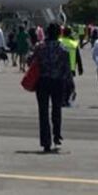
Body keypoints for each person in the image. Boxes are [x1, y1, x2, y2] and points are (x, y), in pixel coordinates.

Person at [29, 23, 70, 153]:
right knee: (57, 109)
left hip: (42, 82)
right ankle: (57, 135)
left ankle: (46, 141)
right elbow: (66, 69)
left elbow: (30, 60)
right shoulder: (63, 49)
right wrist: (69, 85)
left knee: (43, 112)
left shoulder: (40, 47)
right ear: (59, 33)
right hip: (57, 82)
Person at [59, 27, 83, 106]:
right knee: (69, 84)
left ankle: (63, 99)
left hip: (60, 67)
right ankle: (66, 99)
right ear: (70, 34)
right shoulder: (74, 43)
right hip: (71, 67)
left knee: (62, 83)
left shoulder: (60, 42)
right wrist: (80, 68)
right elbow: (78, 56)